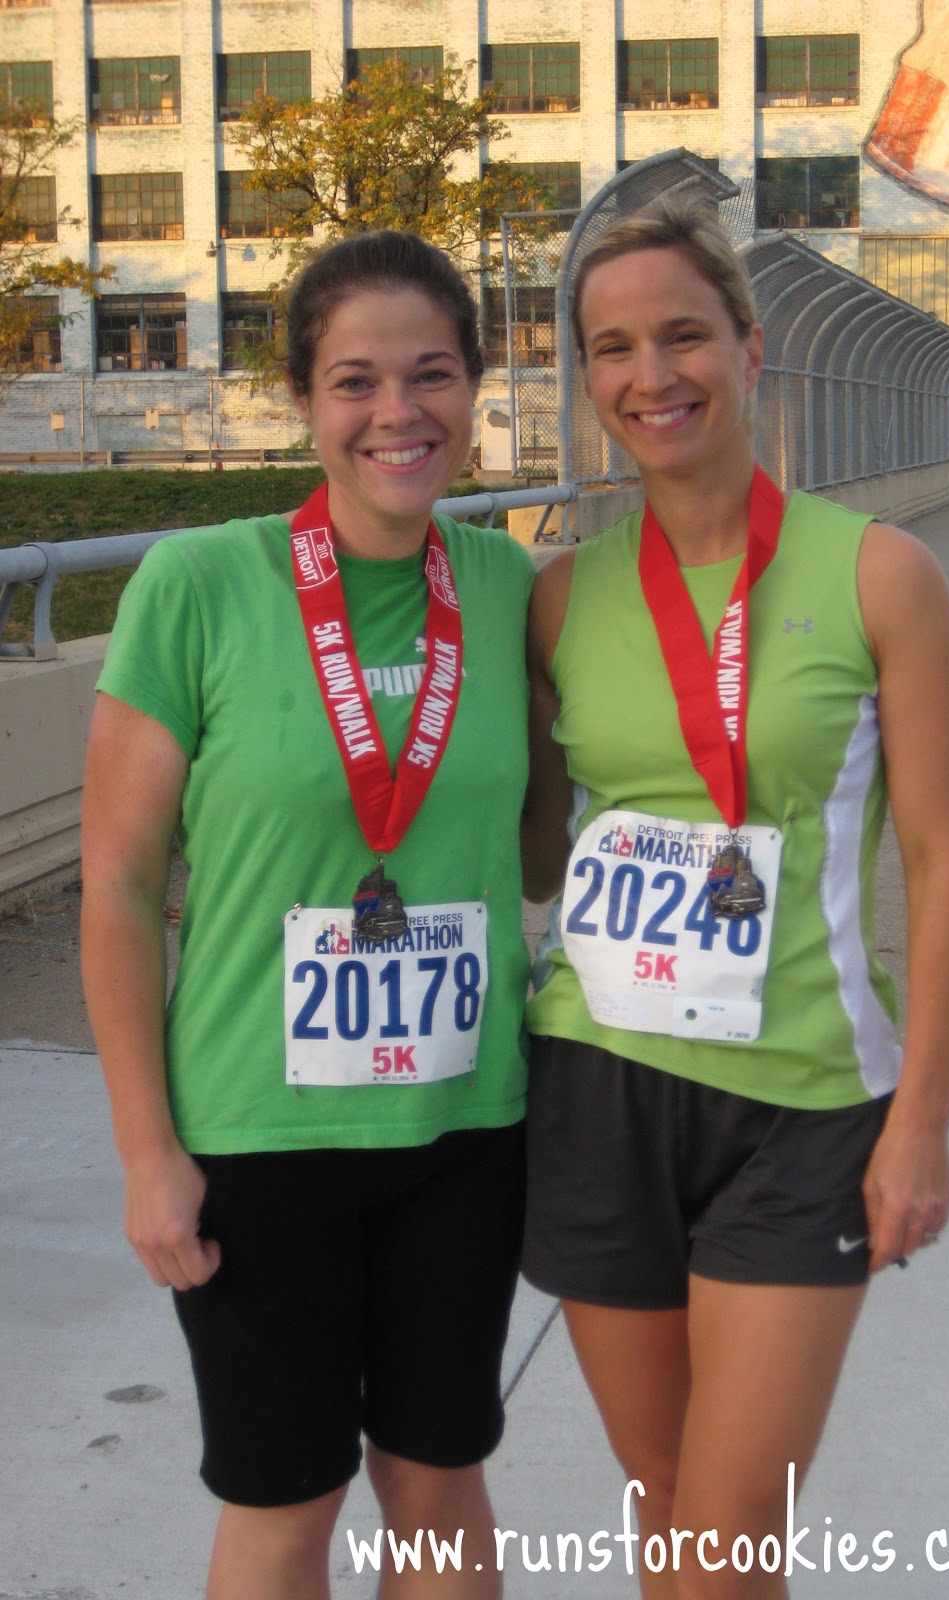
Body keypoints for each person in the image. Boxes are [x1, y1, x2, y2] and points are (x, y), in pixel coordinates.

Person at [521, 199, 949, 1599]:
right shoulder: (560, 598)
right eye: (613, 348)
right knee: (668, 1510)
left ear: (752, 345)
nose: (651, 375)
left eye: (683, 335)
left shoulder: (880, 574)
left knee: (727, 1543)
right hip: (599, 1084)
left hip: (802, 1099)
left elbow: (947, 860)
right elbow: (535, 853)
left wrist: (922, 1123)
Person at [81, 231, 534, 1600]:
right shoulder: (199, 585)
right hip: (256, 1134)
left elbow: (554, 834)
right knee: (286, 1500)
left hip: (462, 1127)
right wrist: (146, 1151)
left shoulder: (510, 588)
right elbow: (117, 880)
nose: (399, 411)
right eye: (355, 380)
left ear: (475, 387)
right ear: (301, 400)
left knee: (439, 1483)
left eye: (432, 373)